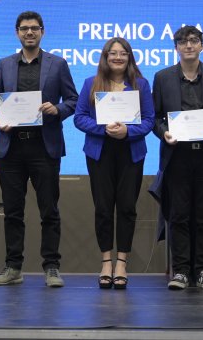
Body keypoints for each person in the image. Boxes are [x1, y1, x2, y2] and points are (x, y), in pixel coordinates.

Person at [0, 11, 78, 288]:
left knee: (49, 211)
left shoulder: (58, 64)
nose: (29, 32)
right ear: (17, 32)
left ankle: (52, 267)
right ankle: (13, 267)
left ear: (42, 32)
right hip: (11, 148)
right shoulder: (4, 64)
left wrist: (57, 109)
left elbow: (73, 100)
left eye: (34, 28)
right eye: (24, 28)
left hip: (44, 147)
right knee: (13, 212)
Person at [150, 25, 203, 290]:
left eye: (194, 40)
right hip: (177, 156)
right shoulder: (162, 77)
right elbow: (154, 118)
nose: (188, 45)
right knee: (178, 216)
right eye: (183, 41)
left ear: (202, 45)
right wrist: (164, 133)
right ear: (176, 47)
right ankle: (181, 272)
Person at [73, 38, 154, 289]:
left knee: (127, 207)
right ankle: (106, 262)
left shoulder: (141, 84)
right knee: (103, 208)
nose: (118, 57)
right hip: (100, 153)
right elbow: (79, 118)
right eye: (113, 53)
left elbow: (149, 120)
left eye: (123, 53)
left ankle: (122, 264)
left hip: (131, 152)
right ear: (105, 57)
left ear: (129, 57)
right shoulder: (91, 83)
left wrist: (127, 132)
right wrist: (104, 128)